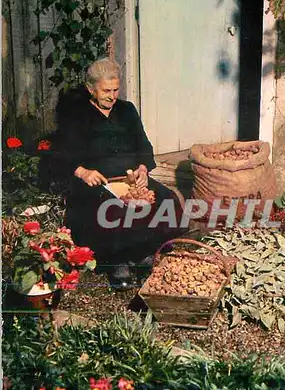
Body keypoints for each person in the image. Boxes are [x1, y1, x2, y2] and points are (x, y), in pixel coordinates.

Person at [49, 58, 185, 288]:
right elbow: (61, 153)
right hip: (97, 182)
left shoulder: (127, 109)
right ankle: (118, 261)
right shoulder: (76, 115)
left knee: (165, 199)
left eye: (116, 89)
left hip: (129, 178)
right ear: (90, 89)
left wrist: (143, 168)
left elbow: (144, 146)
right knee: (113, 210)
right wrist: (82, 172)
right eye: (106, 91)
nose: (112, 96)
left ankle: (145, 252)